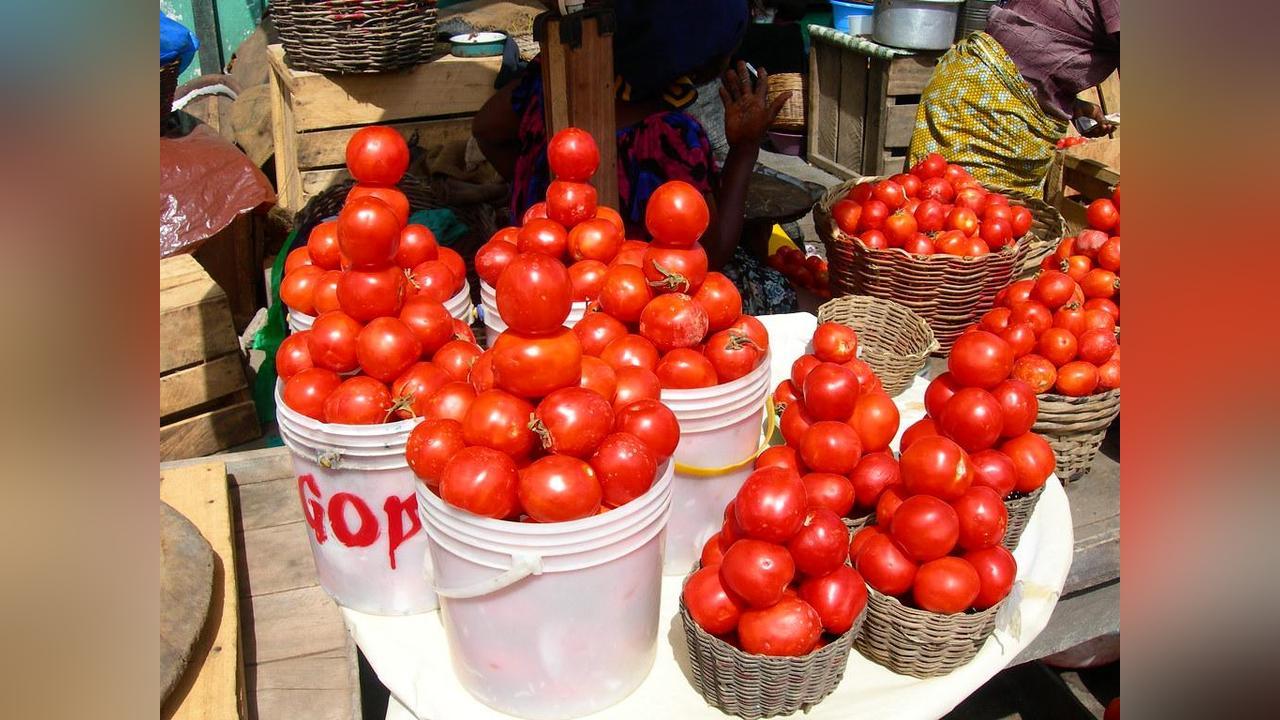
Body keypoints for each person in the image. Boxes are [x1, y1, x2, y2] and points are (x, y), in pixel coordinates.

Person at [472, 0, 797, 315]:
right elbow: (708, 256)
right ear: (700, 68)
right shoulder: (671, 137)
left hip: (536, 281)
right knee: (776, 287)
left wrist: (538, 190)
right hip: (630, 300)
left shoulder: (545, 84)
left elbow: (486, 128)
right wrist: (745, 149)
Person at [907, 0, 1119, 194]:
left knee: (958, 216)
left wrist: (1070, 103)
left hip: (971, 85)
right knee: (959, 215)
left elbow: (1052, 31)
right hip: (987, 113)